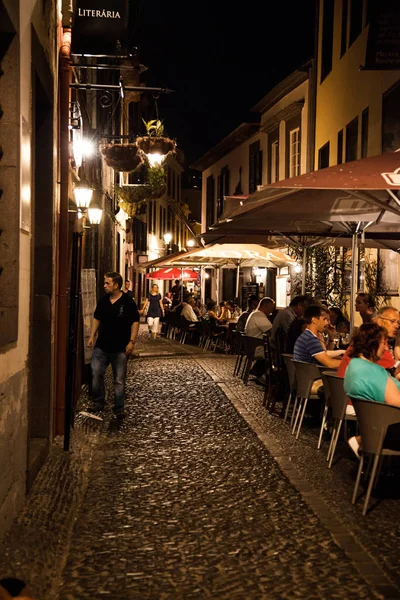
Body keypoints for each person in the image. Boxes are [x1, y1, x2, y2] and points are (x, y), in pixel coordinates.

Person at [86, 272, 139, 420]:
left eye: (107, 283)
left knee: (119, 380)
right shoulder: (103, 301)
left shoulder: (128, 302)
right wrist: (91, 336)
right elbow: (97, 318)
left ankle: (119, 408)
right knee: (96, 373)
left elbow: (135, 322)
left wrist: (131, 342)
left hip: (120, 347)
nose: (104, 286)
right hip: (102, 345)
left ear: (116, 285)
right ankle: (98, 402)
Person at [344, 322, 400, 458]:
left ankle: (360, 439)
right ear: (372, 344)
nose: (386, 348)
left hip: (371, 426)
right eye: (383, 343)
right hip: (385, 428)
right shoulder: (374, 371)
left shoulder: (354, 365)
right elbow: (396, 401)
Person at [293, 304, 343, 369]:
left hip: (306, 376)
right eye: (324, 319)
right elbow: (330, 363)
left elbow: (324, 354)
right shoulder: (310, 339)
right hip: (313, 377)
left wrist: (331, 336)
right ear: (314, 320)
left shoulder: (307, 335)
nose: (327, 323)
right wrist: (353, 363)